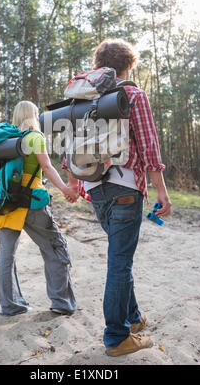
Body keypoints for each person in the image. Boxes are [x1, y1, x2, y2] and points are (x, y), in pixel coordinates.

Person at [64, 38, 172, 356]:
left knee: (118, 257)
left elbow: (67, 146)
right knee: (120, 261)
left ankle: (134, 318)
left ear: (98, 66)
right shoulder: (133, 94)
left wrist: (75, 184)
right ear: (129, 66)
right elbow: (149, 149)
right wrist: (162, 193)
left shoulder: (82, 99)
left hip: (95, 187)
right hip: (126, 187)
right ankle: (116, 336)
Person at [0, 100, 78, 317]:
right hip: (31, 201)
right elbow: (46, 166)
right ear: (34, 116)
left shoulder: (6, 140)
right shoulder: (35, 137)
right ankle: (61, 302)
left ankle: (11, 306)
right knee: (55, 247)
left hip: (7, 202)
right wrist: (65, 187)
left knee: (6, 255)